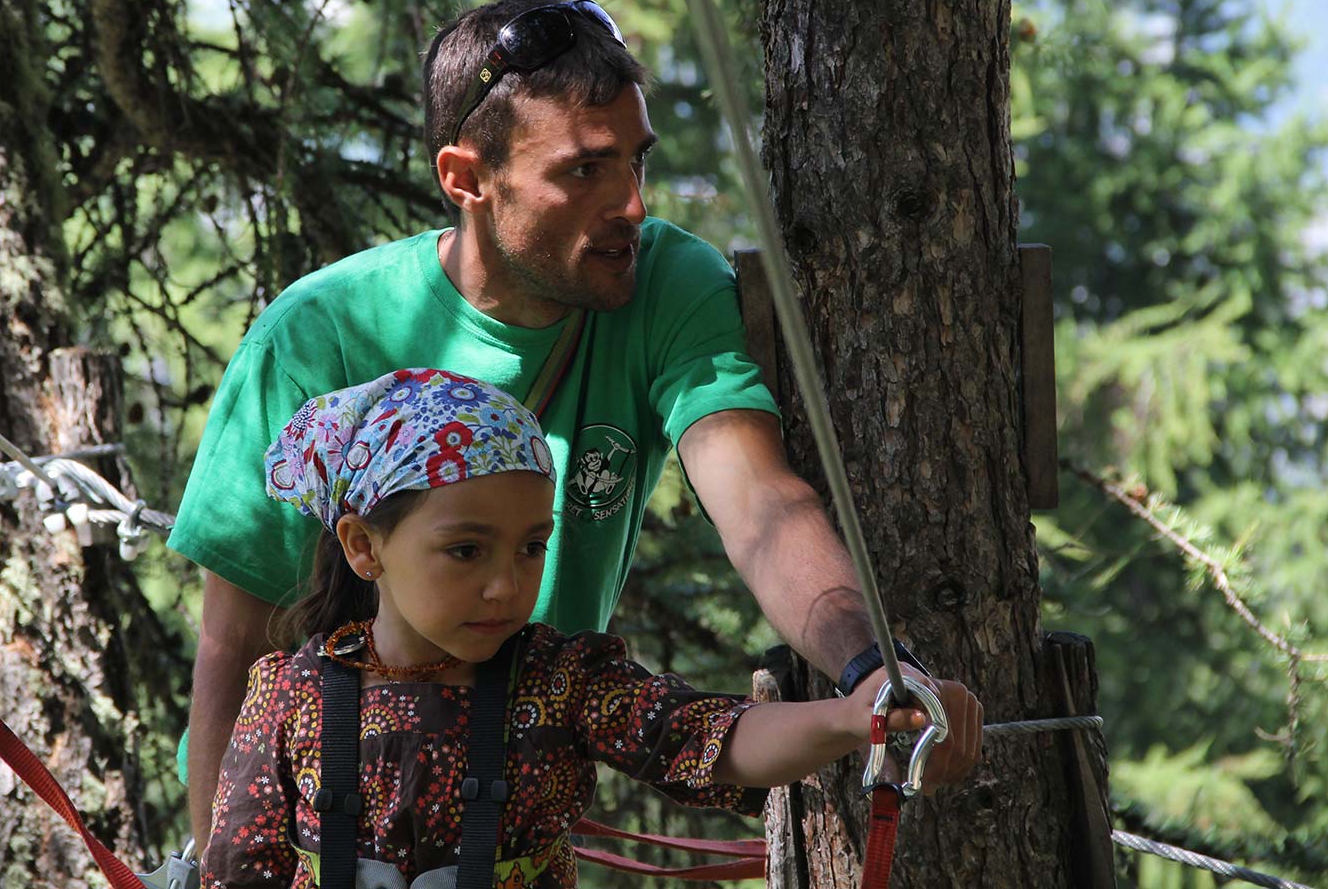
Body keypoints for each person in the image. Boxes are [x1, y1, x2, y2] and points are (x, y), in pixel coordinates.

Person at [171, 0, 983, 843]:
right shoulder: (317, 335)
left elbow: (757, 502)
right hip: (310, 822)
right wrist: (219, 857)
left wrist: (875, 671)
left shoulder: (665, 280)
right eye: (584, 170)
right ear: (467, 178)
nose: (630, 204)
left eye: (637, 163)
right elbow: (236, 644)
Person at [202, 369, 969, 889]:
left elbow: (708, 738)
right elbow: (239, 866)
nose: (507, 584)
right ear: (364, 546)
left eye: (533, 546)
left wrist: (848, 717)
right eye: (465, 550)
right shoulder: (291, 694)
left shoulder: (562, 682)